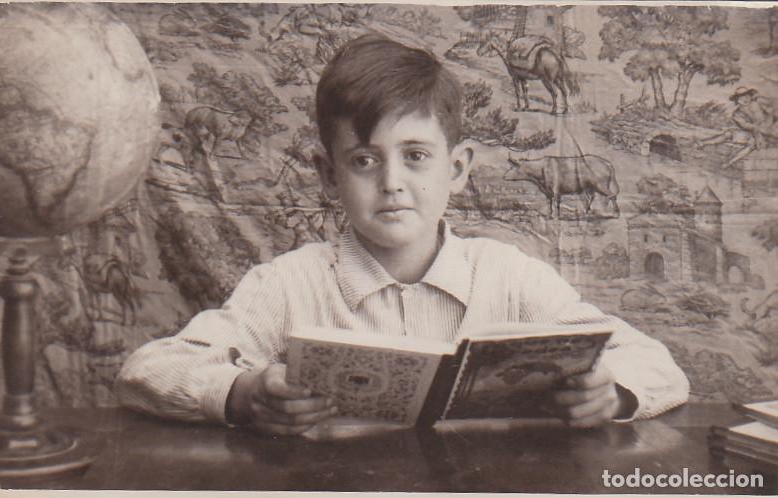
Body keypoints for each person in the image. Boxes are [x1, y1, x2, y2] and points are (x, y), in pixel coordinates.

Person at [115, 34, 689, 436]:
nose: (393, 183)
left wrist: (614, 393)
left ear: (458, 168)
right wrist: (241, 394)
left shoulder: (510, 277)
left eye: (415, 156)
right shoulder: (288, 286)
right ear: (327, 175)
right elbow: (145, 372)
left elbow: (658, 363)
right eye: (365, 160)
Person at [696, 87, 778, 168]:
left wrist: (770, 126)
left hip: (769, 132)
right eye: (741, 97)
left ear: (750, 96)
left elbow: (773, 114)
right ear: (737, 100)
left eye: (746, 96)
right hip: (752, 133)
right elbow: (746, 126)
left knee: (752, 144)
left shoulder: (758, 104)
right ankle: (704, 143)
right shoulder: (737, 114)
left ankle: (730, 162)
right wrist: (757, 130)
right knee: (729, 133)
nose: (745, 99)